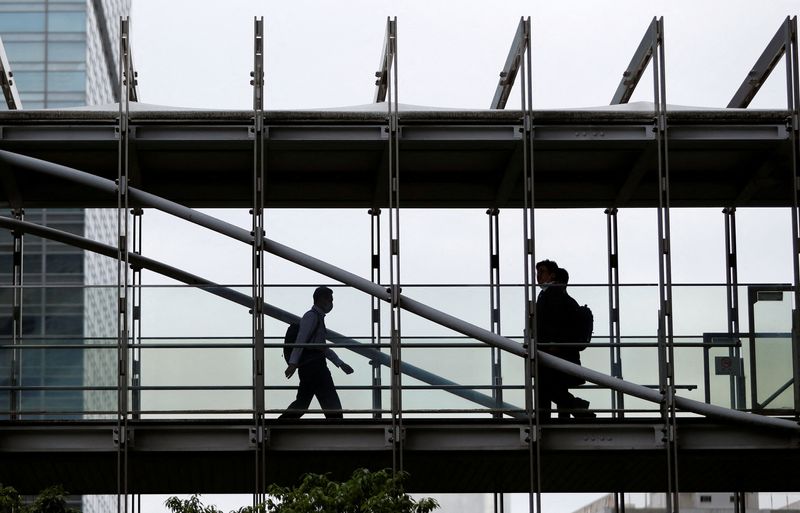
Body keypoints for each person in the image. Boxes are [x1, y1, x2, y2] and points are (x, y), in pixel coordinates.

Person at [280, 286, 354, 419]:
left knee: (303, 402)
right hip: (315, 366)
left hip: (311, 366)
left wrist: (340, 364)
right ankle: (339, 430)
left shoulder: (318, 318)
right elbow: (301, 340)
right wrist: (292, 363)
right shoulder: (311, 316)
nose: (331, 303)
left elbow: (321, 346)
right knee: (331, 402)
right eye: (330, 299)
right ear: (321, 299)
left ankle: (280, 424)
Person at [535, 260, 595, 420]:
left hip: (554, 352)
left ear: (552, 275)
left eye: (542, 271)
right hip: (559, 352)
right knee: (555, 387)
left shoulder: (551, 295)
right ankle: (570, 411)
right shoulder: (558, 296)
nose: (538, 276)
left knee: (546, 387)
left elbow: (554, 323)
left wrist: (549, 343)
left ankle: (575, 407)